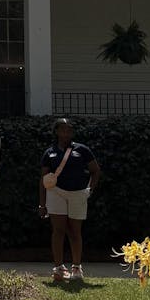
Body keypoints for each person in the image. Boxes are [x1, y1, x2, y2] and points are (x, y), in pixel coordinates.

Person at [39, 118, 101, 282]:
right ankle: (59, 268)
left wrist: (90, 190)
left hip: (78, 193)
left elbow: (95, 171)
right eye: (63, 130)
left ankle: (76, 267)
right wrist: (42, 203)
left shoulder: (82, 150)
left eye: (69, 130)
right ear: (57, 132)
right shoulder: (49, 152)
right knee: (58, 230)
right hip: (56, 192)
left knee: (75, 231)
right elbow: (43, 179)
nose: (66, 133)